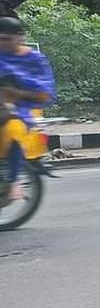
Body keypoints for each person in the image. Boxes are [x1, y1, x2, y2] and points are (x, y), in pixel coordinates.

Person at [0, 16, 56, 203]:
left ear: (20, 37)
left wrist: (15, 93)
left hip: (22, 112)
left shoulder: (35, 60)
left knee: (12, 129)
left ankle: (13, 181)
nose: (3, 43)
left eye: (7, 39)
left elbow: (45, 95)